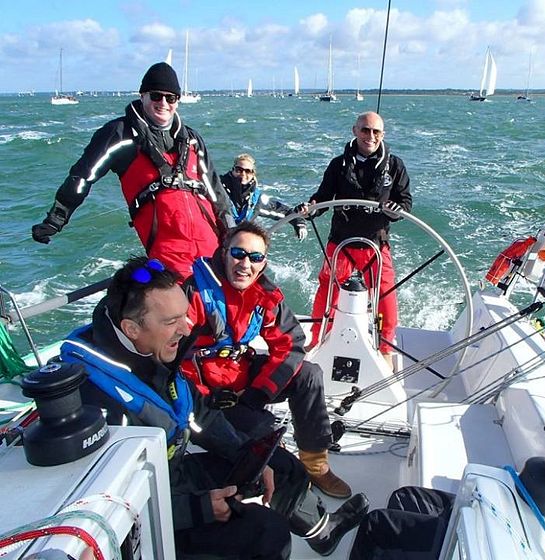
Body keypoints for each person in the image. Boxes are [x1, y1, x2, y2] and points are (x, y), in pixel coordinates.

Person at [58, 256, 369, 558]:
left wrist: (248, 454)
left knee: (280, 466)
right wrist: (198, 508)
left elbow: (198, 412)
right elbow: (104, 508)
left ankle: (323, 533)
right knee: (268, 535)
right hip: (147, 515)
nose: (187, 327)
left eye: (184, 314)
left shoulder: (153, 350)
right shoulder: (93, 402)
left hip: (173, 474)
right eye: (171, 321)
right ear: (131, 328)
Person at [181, 221, 352, 499]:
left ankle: (316, 465)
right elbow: (171, 356)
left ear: (263, 263)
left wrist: (259, 393)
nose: (245, 264)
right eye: (238, 253)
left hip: (242, 379)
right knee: (265, 433)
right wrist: (206, 397)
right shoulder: (196, 294)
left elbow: (291, 344)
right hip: (205, 395)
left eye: (255, 257)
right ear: (224, 252)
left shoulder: (265, 296)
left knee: (309, 374)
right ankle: (284, 487)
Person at [31, 62, 234, 279]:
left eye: (171, 97)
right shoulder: (119, 135)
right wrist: (55, 220)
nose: (163, 103)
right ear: (143, 95)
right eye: (156, 96)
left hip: (214, 253)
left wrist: (232, 233)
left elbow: (215, 192)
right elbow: (82, 176)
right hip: (169, 260)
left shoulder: (192, 140)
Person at [299, 112, 412, 369]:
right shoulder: (338, 165)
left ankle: (385, 349)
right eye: (365, 130)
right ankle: (317, 338)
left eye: (376, 132)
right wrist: (312, 208)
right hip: (341, 243)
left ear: (383, 135)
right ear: (354, 130)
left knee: (385, 295)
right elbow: (323, 197)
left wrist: (396, 209)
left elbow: (406, 204)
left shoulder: (395, 166)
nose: (370, 136)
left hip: (376, 244)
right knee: (327, 292)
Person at [221, 153, 307, 240]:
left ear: (253, 175)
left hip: (237, 243)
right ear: (232, 170)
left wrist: (299, 223)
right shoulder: (218, 190)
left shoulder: (256, 200)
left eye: (248, 171)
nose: (243, 174)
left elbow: (284, 211)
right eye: (239, 170)